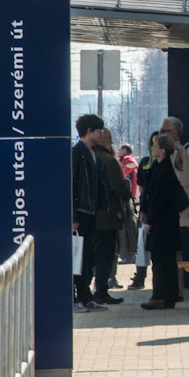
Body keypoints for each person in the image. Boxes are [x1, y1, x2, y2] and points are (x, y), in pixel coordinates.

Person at [71, 114, 116, 311]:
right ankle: (78, 298)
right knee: (79, 258)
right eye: (98, 130)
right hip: (80, 214)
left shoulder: (94, 153)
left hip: (91, 212)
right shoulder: (76, 154)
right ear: (89, 131)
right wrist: (72, 217)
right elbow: (71, 186)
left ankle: (85, 297)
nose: (101, 134)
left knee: (88, 257)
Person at [139, 134, 189, 310]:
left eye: (154, 146)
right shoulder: (157, 166)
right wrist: (143, 210)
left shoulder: (165, 171)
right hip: (164, 222)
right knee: (165, 260)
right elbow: (148, 193)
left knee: (161, 261)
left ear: (162, 151)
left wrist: (150, 221)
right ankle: (168, 297)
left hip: (163, 224)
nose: (152, 148)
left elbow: (159, 199)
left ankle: (160, 296)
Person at [90, 127, 132, 303]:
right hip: (107, 217)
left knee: (92, 255)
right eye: (110, 139)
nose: (113, 143)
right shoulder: (108, 160)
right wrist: (126, 189)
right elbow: (118, 187)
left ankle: (89, 291)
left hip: (91, 216)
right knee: (105, 256)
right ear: (103, 140)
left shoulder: (88, 158)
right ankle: (101, 291)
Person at [117, 144, 143, 289]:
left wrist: (122, 169)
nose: (117, 151)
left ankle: (130, 255)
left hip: (130, 198)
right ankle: (130, 255)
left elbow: (133, 164)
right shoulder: (122, 158)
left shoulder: (126, 159)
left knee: (129, 229)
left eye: (119, 149)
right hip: (131, 198)